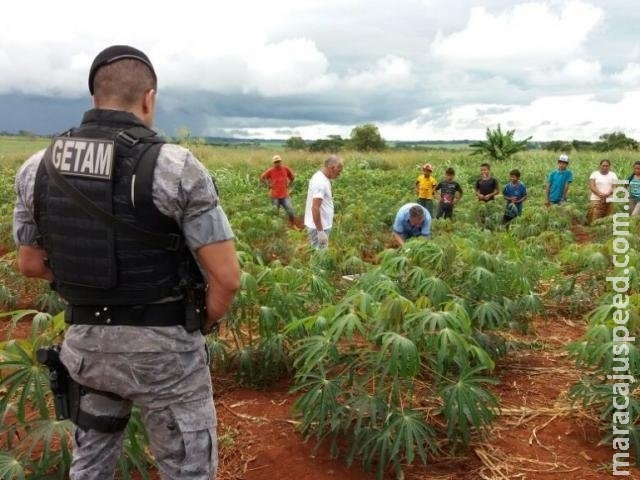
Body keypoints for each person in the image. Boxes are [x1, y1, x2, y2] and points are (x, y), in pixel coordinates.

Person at [12, 45, 241, 480]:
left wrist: (93, 278)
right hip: (166, 355)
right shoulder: (175, 167)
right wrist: (200, 321)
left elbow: (29, 263)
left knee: (92, 464)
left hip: (87, 348)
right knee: (188, 470)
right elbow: (227, 277)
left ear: (94, 96)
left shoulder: (36, 167)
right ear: (148, 98)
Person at [303, 155, 343, 248]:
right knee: (320, 258)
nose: (339, 174)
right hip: (318, 227)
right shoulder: (320, 182)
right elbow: (315, 208)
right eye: (339, 171)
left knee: (320, 254)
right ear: (331, 168)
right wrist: (320, 231)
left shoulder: (322, 177)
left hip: (321, 225)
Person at [260, 154, 295, 223]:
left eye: (279, 161)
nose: (277, 163)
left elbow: (292, 177)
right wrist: (268, 185)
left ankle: (292, 224)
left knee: (290, 211)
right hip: (274, 196)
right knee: (275, 213)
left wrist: (289, 184)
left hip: (285, 195)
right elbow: (262, 177)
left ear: (281, 161)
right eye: (276, 162)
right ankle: (277, 228)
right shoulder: (271, 171)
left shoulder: (286, 169)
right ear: (273, 163)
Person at [588, 158, 618, 223]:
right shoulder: (594, 174)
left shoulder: (613, 175)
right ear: (600, 166)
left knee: (608, 217)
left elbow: (615, 186)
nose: (605, 167)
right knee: (595, 217)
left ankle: (605, 232)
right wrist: (600, 194)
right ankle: (593, 230)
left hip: (609, 198)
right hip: (596, 199)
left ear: (609, 167)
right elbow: (592, 186)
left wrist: (607, 194)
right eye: (603, 165)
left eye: (607, 166)